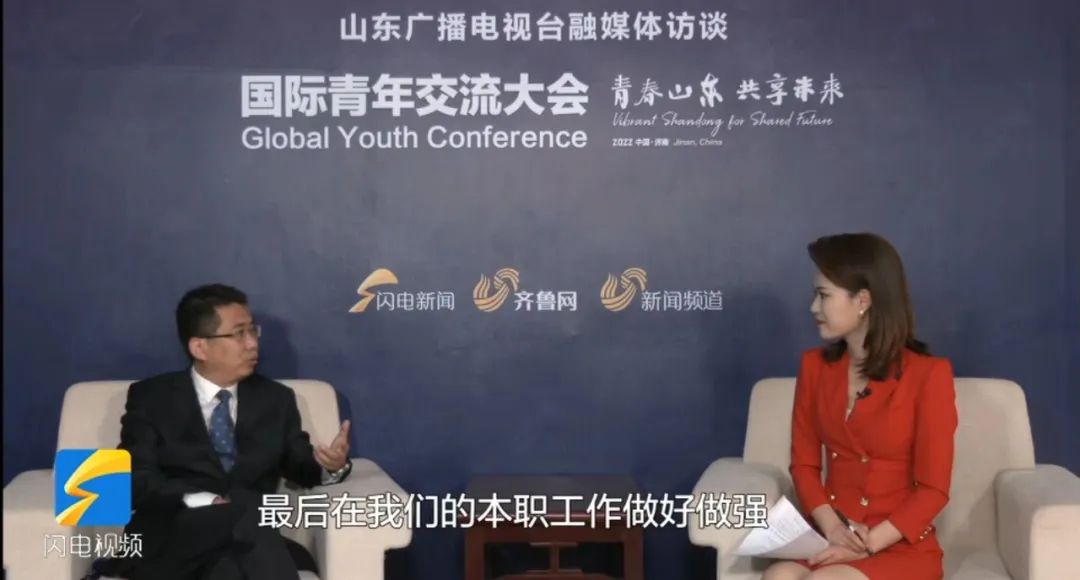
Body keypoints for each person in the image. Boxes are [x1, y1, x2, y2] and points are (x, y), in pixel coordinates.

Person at [101, 284, 352, 580]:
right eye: (239, 334)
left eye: (253, 331)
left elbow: (299, 464)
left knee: (230, 565)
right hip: (170, 540)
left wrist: (330, 466)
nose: (252, 343)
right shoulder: (152, 398)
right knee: (246, 509)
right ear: (199, 347)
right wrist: (206, 500)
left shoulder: (275, 399)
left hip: (243, 541)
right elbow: (136, 479)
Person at [764, 234, 958, 580]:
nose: (813, 308)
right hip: (833, 532)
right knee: (778, 576)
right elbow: (804, 464)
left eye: (824, 295)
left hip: (895, 542)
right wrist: (832, 527)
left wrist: (866, 544)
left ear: (863, 300)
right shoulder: (814, 367)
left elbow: (934, 490)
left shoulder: (928, 375)